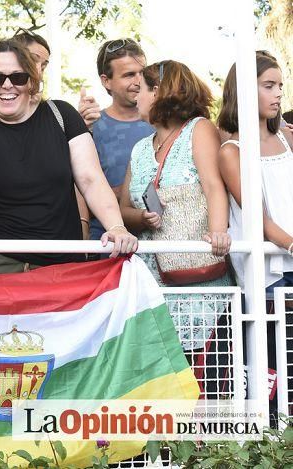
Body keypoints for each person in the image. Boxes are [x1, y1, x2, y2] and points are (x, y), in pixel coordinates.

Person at [0, 39, 137, 274]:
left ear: (32, 81)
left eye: (18, 77)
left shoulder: (62, 115)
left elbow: (91, 180)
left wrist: (116, 226)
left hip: (60, 265)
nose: (7, 85)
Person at [119, 60, 232, 353]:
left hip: (196, 277)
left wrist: (217, 233)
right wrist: (142, 218)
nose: (136, 97)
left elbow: (213, 186)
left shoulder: (199, 129)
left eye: (141, 90)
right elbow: (122, 209)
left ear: (157, 92)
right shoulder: (140, 148)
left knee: (202, 365)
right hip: (150, 281)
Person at [218, 51, 293, 291]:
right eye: (269, 86)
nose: (279, 93)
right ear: (244, 90)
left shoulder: (287, 137)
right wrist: (291, 245)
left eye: (280, 86)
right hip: (267, 267)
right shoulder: (231, 151)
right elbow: (256, 216)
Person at [80, 38, 154, 241]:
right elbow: (79, 190)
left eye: (142, 73)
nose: (138, 81)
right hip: (108, 244)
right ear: (106, 81)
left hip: (158, 243)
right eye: (129, 74)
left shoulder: (163, 122)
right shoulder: (91, 126)